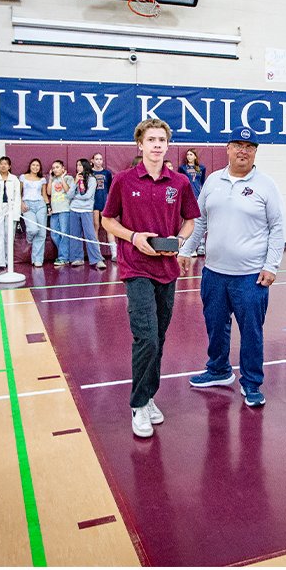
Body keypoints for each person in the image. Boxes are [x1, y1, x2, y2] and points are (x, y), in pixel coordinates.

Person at [101, 118, 201, 438]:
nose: (157, 145)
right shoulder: (123, 180)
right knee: (147, 337)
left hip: (167, 270)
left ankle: (149, 397)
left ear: (167, 145)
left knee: (159, 337)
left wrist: (181, 241)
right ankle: (138, 402)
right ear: (140, 145)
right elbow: (107, 221)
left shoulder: (180, 183)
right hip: (135, 267)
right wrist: (133, 237)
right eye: (151, 140)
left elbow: (190, 221)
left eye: (162, 140)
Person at [178, 126, 286, 409]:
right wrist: (187, 251)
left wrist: (271, 265)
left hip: (251, 277)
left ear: (255, 152)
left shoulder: (266, 185)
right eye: (237, 145)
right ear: (227, 148)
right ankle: (218, 370)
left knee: (251, 332)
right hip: (213, 273)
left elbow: (277, 228)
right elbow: (199, 220)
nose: (243, 150)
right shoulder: (213, 181)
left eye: (249, 147)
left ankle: (251, 383)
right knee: (215, 325)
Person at [67, 158, 105, 268]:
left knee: (90, 235)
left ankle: (97, 259)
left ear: (85, 166)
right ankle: (77, 258)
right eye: (77, 165)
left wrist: (75, 197)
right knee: (75, 235)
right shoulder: (75, 179)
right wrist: (74, 183)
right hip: (74, 209)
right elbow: (68, 196)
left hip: (86, 210)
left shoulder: (92, 179)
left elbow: (88, 196)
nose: (78, 167)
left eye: (80, 165)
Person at [17, 158, 49, 267]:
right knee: (33, 229)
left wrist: (48, 206)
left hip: (40, 205)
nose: (35, 167)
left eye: (37, 166)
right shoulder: (23, 177)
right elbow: (18, 193)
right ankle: (29, 238)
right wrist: (21, 203)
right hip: (27, 205)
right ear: (30, 166)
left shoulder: (42, 179)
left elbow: (44, 194)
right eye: (33, 165)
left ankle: (37, 259)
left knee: (41, 234)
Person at [46, 159, 74, 267]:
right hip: (55, 211)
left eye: (57, 167)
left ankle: (63, 257)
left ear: (63, 168)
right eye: (53, 168)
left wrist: (62, 179)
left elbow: (68, 191)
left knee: (64, 234)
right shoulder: (52, 179)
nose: (55, 169)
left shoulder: (69, 178)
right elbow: (48, 192)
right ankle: (65, 254)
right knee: (54, 235)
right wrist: (50, 179)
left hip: (65, 210)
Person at [181, 148, 207, 254]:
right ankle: (187, 246)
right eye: (187, 154)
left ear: (195, 156)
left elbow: (202, 182)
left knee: (199, 221)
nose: (189, 156)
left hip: (198, 197)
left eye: (191, 154)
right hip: (188, 197)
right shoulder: (183, 168)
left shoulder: (201, 168)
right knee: (188, 221)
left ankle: (200, 245)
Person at [91, 152, 115, 262]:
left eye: (100, 159)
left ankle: (114, 253)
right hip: (94, 203)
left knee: (108, 227)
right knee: (96, 226)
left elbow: (110, 188)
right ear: (92, 161)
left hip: (104, 202)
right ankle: (98, 254)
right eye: (96, 159)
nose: (99, 161)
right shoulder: (90, 173)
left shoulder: (107, 173)